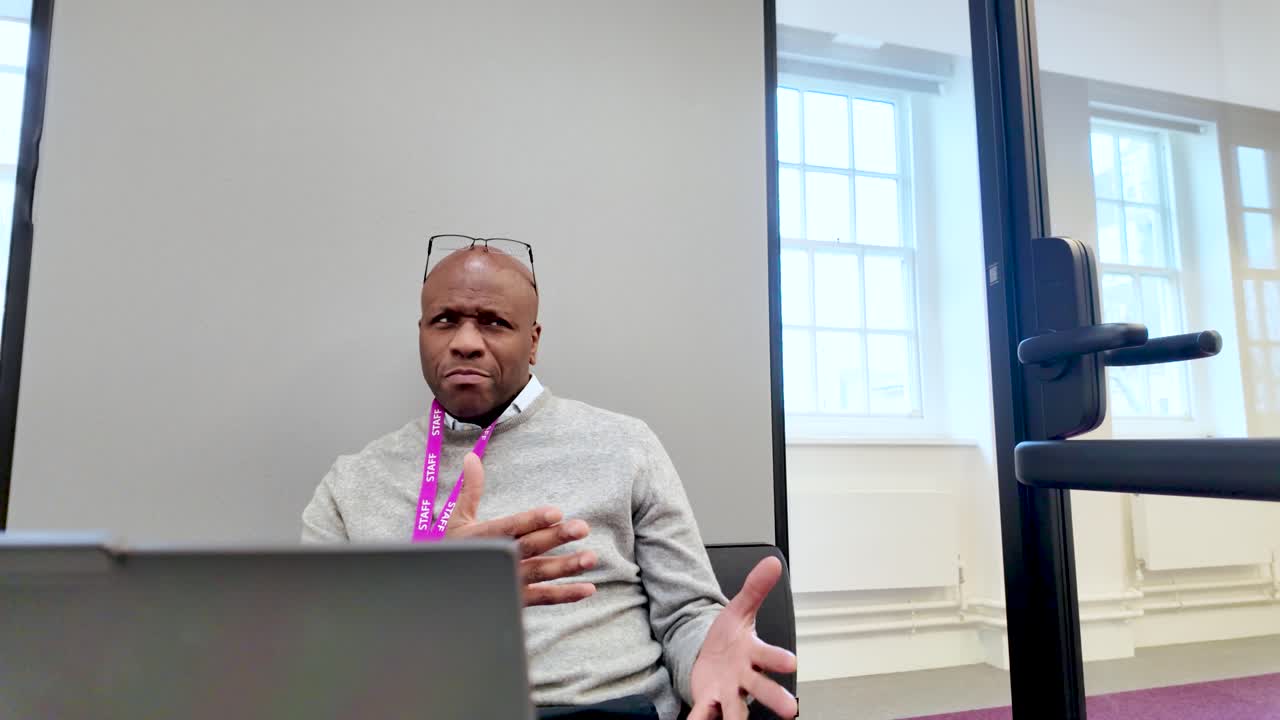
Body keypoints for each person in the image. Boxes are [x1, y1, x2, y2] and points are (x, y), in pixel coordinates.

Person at [302, 239, 798, 720]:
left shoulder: (625, 445)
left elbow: (687, 615)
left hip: (601, 709)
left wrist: (703, 662)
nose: (466, 342)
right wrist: (429, 602)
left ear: (533, 341)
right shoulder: (351, 484)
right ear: (421, 331)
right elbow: (317, 660)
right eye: (445, 320)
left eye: (494, 323)